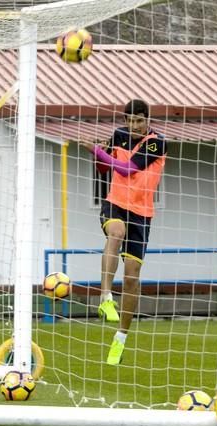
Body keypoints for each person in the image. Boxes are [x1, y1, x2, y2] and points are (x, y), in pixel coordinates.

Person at [79, 99, 167, 365]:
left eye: (139, 121)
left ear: (147, 120)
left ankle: (120, 338)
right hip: (115, 203)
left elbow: (129, 169)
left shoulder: (157, 142)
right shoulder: (119, 135)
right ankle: (105, 296)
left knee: (131, 277)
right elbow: (105, 168)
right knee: (115, 234)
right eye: (129, 120)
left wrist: (96, 149)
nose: (133, 126)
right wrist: (100, 154)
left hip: (141, 214)